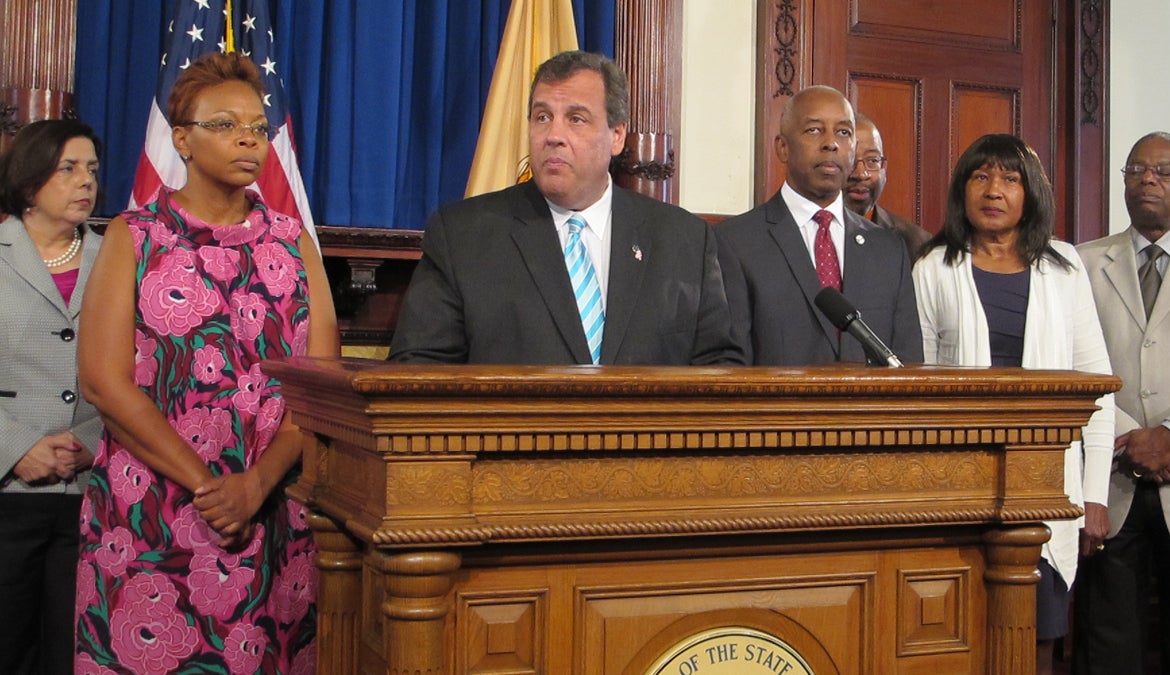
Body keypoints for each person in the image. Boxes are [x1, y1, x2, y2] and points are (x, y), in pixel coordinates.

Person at [74, 53, 338, 674]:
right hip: (153, 520)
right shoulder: (134, 237)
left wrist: (255, 485)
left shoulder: (293, 241)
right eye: (224, 124)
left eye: (258, 125)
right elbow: (104, 383)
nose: (248, 137)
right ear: (182, 140)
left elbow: (320, 388)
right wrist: (209, 487)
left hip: (274, 519)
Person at [388, 50, 742, 365]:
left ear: (616, 135)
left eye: (576, 118)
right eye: (542, 117)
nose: (553, 135)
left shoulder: (685, 241)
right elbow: (416, 372)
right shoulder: (463, 236)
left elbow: (719, 372)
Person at [911, 133, 1114, 675]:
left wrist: (1094, 495)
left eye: (1009, 178)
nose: (993, 190)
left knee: (1038, 636)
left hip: (1046, 484)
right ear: (962, 190)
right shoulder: (934, 267)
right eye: (980, 177)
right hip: (958, 481)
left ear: (1031, 192)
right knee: (960, 633)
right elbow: (917, 390)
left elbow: (1095, 386)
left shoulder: (1064, 267)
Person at [1073, 131, 1170, 675]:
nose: (1147, 179)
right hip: (1110, 479)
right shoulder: (1081, 263)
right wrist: (1131, 435)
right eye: (1136, 170)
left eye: (1164, 171)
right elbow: (1071, 366)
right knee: (1108, 643)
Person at [715, 85, 921, 366]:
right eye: (814, 130)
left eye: (843, 132)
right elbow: (728, 364)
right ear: (783, 147)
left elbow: (907, 365)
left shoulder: (888, 249)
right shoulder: (735, 243)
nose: (831, 143)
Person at [0, 120, 102, 675]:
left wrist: (92, 442)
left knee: (74, 650)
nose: (85, 181)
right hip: (8, 490)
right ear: (28, 178)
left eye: (91, 169)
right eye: (68, 168)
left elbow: (137, 372)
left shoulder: (119, 260)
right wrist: (17, 446)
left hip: (90, 492)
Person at [843, 113, 930, 262]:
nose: (861, 174)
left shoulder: (916, 243)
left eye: (872, 160)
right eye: (850, 160)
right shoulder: (806, 233)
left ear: (884, 167)